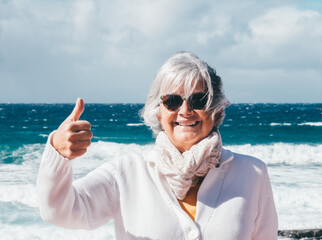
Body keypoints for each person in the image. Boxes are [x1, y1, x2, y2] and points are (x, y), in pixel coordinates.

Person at [37, 51, 278, 240]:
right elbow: (58, 211)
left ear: (216, 110)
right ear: (158, 112)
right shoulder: (126, 173)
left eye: (198, 100)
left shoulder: (253, 173)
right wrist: (58, 154)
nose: (185, 110)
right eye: (172, 101)